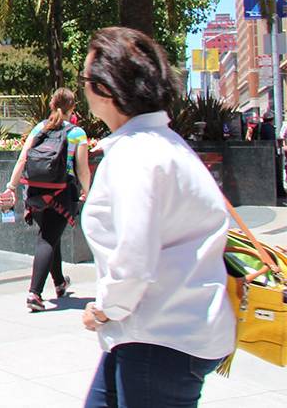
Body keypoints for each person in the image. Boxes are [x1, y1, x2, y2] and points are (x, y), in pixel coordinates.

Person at [78, 27, 233, 407]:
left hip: (160, 338)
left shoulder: (135, 156)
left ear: (106, 89)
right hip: (158, 335)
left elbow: (134, 258)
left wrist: (104, 309)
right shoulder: (164, 145)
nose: (82, 87)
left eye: (84, 78)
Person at [0, 87, 90, 312]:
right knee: (48, 239)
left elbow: (23, 159)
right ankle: (34, 293)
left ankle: (59, 283)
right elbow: (82, 169)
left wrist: (11, 187)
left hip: (35, 193)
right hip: (62, 192)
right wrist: (87, 191)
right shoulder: (77, 133)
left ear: (51, 105)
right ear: (72, 108)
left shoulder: (40, 128)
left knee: (51, 237)